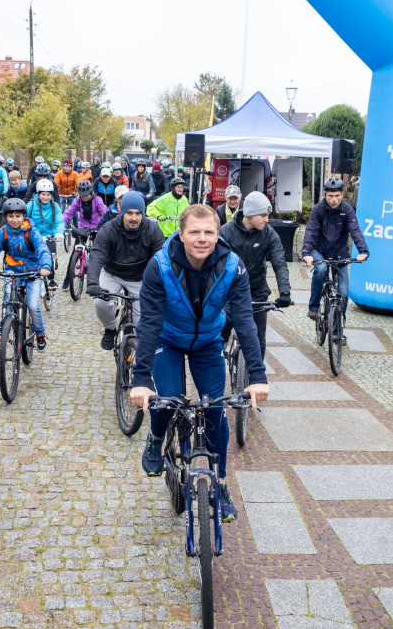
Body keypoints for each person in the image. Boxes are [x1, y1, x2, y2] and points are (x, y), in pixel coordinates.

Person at [130, 204, 270, 523]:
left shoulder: (232, 267)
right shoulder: (159, 266)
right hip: (167, 340)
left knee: (215, 411)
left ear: (218, 234)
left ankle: (220, 484)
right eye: (194, 231)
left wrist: (258, 376)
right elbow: (149, 323)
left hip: (207, 342)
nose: (202, 238)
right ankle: (155, 439)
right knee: (167, 401)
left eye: (209, 232)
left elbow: (245, 321)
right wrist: (140, 380)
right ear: (181, 234)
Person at [86, 190, 165, 349]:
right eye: (129, 213)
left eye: (138, 213)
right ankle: (110, 329)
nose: (134, 218)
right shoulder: (109, 229)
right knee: (100, 302)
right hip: (112, 273)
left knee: (140, 325)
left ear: (143, 213)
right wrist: (92, 282)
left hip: (140, 277)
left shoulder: (152, 229)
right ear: (122, 212)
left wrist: (161, 284)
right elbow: (97, 254)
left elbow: (161, 258)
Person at [220, 192, 292, 357]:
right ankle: (217, 357)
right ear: (250, 213)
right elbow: (214, 263)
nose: (267, 219)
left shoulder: (269, 233)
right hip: (230, 291)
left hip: (257, 291)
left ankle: (256, 372)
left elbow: (279, 263)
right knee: (220, 333)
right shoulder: (225, 232)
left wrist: (285, 292)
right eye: (263, 215)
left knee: (258, 340)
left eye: (268, 215)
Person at [0, 199, 53, 351]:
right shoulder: (3, 232)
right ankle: (4, 325)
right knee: (8, 298)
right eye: (11, 216)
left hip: (33, 271)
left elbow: (43, 249)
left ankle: (40, 333)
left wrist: (45, 266)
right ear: (5, 217)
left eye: (18, 216)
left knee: (33, 306)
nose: (14, 220)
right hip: (12, 270)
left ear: (24, 216)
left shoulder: (31, 232)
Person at [302, 177, 369, 331]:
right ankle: (314, 307)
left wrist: (363, 251)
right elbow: (310, 231)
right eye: (330, 196)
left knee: (343, 294)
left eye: (337, 196)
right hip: (320, 251)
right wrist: (306, 252)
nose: (334, 200)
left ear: (342, 194)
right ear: (325, 194)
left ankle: (338, 331)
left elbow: (355, 231)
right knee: (320, 270)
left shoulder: (347, 210)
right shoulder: (318, 210)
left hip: (340, 253)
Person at [28, 179, 64, 287]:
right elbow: (24, 219)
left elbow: (59, 221)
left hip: (49, 235)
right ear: (38, 194)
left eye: (48, 195)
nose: (46, 197)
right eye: (43, 194)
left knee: (49, 256)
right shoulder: (31, 204)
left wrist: (59, 232)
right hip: (34, 235)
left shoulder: (55, 206)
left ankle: (51, 279)